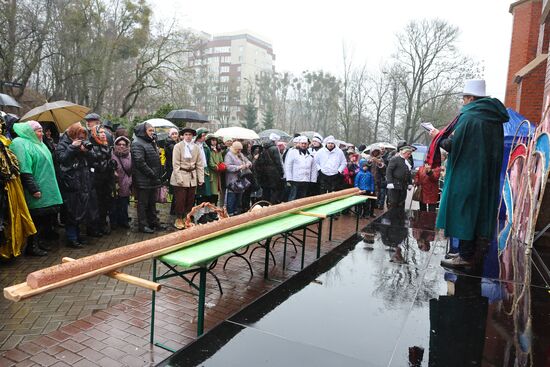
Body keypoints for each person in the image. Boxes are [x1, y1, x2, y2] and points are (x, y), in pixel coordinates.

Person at [435, 79, 509, 270]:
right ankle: (471, 253)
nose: (463, 103)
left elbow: (453, 145)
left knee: (464, 213)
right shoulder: (493, 117)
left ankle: (466, 256)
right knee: (478, 213)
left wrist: (437, 136)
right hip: (484, 175)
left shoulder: (470, 117)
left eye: (464, 98)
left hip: (467, 174)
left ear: (470, 98)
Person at [11, 121, 63, 255]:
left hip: (47, 190)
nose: (41, 134)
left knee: (44, 219)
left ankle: (38, 243)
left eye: (41, 131)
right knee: (35, 220)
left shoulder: (39, 144)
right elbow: (25, 170)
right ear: (30, 132)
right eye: (38, 131)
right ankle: (31, 247)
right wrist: (33, 189)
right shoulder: (20, 143)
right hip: (35, 190)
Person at [0, 113, 36, 259]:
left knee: (10, 217)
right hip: (5, 188)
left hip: (9, 189)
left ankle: (8, 250)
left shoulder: (6, 145)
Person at [131, 122, 163, 233]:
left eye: (153, 130)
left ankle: (153, 222)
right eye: (150, 130)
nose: (152, 132)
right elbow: (140, 162)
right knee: (143, 204)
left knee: (152, 203)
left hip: (151, 179)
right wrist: (152, 173)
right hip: (143, 180)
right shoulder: (137, 143)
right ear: (143, 131)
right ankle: (143, 225)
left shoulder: (150, 142)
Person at [171, 127, 204, 230]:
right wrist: (179, 178)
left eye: (190, 135)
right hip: (181, 174)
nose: (188, 137)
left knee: (190, 199)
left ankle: (187, 218)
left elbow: (199, 164)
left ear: (192, 136)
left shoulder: (196, 147)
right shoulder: (178, 146)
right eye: (186, 135)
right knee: (180, 199)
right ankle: (179, 218)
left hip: (192, 176)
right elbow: (175, 164)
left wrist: (201, 178)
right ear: (182, 136)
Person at [88, 125, 116, 234]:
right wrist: (107, 164)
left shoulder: (106, 146)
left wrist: (112, 164)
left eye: (104, 132)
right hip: (96, 181)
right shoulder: (92, 147)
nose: (104, 134)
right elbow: (95, 164)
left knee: (105, 204)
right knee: (97, 205)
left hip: (106, 181)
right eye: (100, 132)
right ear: (95, 134)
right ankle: (94, 227)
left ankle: (103, 224)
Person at [284, 136, 317, 201]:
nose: (303, 145)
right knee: (293, 197)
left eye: (305, 144)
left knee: (302, 198)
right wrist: (289, 178)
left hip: (306, 179)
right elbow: (288, 166)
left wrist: (313, 180)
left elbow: (313, 168)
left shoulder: (311, 154)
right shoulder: (293, 152)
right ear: (299, 144)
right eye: (302, 143)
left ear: (308, 144)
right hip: (295, 179)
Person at [255, 133, 284, 204]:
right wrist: (281, 172)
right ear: (275, 140)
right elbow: (278, 162)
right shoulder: (274, 148)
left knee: (266, 190)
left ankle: (264, 203)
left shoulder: (264, 147)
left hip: (264, 173)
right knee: (274, 190)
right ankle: (272, 205)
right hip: (273, 173)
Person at [224, 141, 252, 215]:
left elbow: (247, 161)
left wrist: (248, 164)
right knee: (231, 197)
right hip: (232, 180)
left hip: (240, 180)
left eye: (240, 149)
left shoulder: (240, 154)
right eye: (238, 149)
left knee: (239, 197)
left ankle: (237, 211)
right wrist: (239, 167)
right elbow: (228, 167)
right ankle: (230, 212)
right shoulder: (229, 155)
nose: (239, 151)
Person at [111, 136, 132, 229]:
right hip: (115, 183)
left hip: (126, 183)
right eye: (119, 144)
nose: (122, 146)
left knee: (124, 204)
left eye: (124, 144)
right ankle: (114, 222)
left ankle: (124, 221)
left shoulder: (130, 155)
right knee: (114, 204)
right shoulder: (112, 154)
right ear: (115, 145)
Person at [386, 144, 413, 209]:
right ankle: (391, 217)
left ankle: (399, 217)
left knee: (401, 203)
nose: (409, 156)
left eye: (410, 154)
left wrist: (410, 183)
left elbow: (408, 173)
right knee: (393, 203)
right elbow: (389, 171)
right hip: (395, 185)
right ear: (404, 152)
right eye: (408, 154)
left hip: (403, 186)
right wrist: (390, 182)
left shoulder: (407, 161)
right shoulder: (395, 159)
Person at [194, 128, 212, 204]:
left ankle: (203, 211)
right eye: (203, 135)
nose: (204, 137)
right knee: (197, 192)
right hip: (196, 169)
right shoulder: (194, 146)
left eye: (205, 135)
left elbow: (208, 158)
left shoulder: (205, 147)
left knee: (205, 192)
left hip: (205, 169)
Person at [164, 127, 179, 215]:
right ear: (170, 135)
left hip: (172, 168)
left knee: (176, 190)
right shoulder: (171, 144)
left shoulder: (175, 143)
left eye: (176, 134)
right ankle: (174, 210)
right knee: (175, 190)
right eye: (173, 134)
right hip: (172, 169)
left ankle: (174, 209)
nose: (174, 135)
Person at [207, 135, 225, 207]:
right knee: (211, 192)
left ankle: (214, 208)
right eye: (212, 140)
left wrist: (222, 166)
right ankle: (210, 209)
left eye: (215, 140)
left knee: (216, 192)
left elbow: (221, 160)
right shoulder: (209, 150)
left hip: (217, 174)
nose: (214, 142)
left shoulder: (218, 150)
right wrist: (216, 167)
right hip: (211, 174)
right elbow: (210, 162)